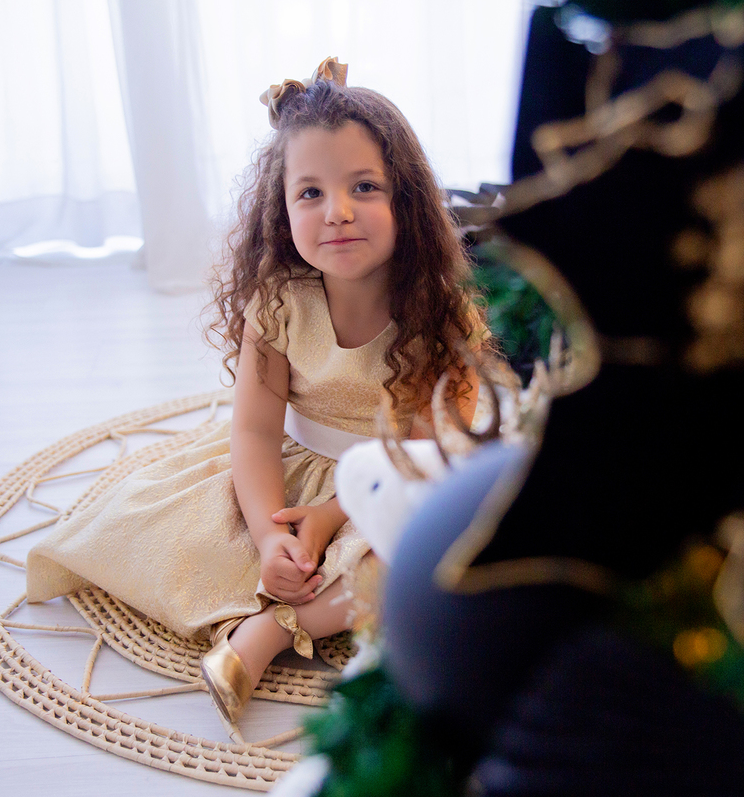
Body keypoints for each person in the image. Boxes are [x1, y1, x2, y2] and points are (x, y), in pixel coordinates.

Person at [25, 57, 485, 743]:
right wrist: (272, 532)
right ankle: (286, 583)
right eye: (310, 193)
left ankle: (268, 631)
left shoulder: (438, 312)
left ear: (408, 199)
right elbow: (253, 433)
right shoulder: (277, 303)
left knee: (418, 563)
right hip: (291, 471)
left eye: (364, 186)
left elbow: (431, 450)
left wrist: (332, 516)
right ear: (282, 206)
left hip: (397, 480)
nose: (338, 212)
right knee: (167, 535)